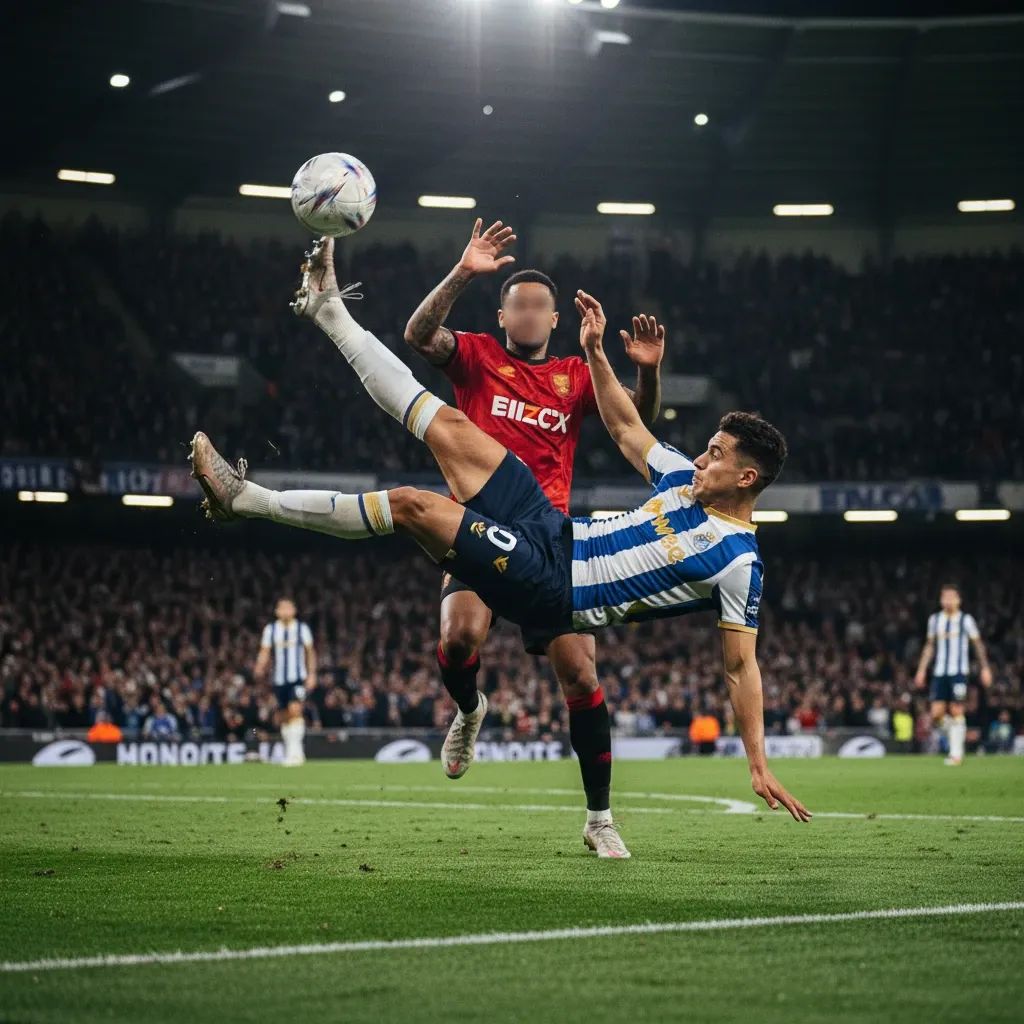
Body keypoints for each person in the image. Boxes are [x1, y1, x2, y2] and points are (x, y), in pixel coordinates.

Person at [189, 237, 811, 843]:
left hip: (555, 585)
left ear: (747, 478)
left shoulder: (739, 563)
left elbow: (740, 668)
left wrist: (757, 761)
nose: (701, 457)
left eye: (717, 455)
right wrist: (596, 348)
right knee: (448, 423)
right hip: (549, 525)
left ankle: (248, 500)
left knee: (414, 507)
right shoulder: (679, 476)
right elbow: (625, 424)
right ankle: (330, 311)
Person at [401, 218, 661, 844]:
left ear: (553, 320)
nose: (528, 314)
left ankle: (599, 819)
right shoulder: (475, 357)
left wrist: (646, 372)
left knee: (581, 677)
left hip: (550, 540)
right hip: (478, 523)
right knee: (460, 641)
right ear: (501, 315)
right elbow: (417, 335)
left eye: (540, 306)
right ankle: (469, 709)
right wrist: (464, 270)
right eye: (517, 304)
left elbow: (637, 423)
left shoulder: (574, 374)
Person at [914, 583, 993, 766]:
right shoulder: (935, 620)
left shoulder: (966, 620)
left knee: (957, 710)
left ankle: (956, 753)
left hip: (958, 672)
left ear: (959, 600)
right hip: (940, 672)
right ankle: (957, 739)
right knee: (936, 714)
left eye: (951, 597)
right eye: (945, 597)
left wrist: (985, 668)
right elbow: (929, 646)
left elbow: (978, 645)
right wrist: (921, 670)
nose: (948, 600)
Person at [254, 598, 317, 766]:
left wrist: (312, 674)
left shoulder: (302, 628)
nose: (286, 611)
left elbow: (310, 652)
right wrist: (260, 666)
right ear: (277, 611)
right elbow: (265, 651)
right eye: (282, 608)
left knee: (295, 710)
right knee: (283, 716)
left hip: (298, 677)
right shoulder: (271, 629)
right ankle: (292, 751)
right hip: (279, 679)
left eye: (289, 608)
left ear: (294, 610)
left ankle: (296, 753)